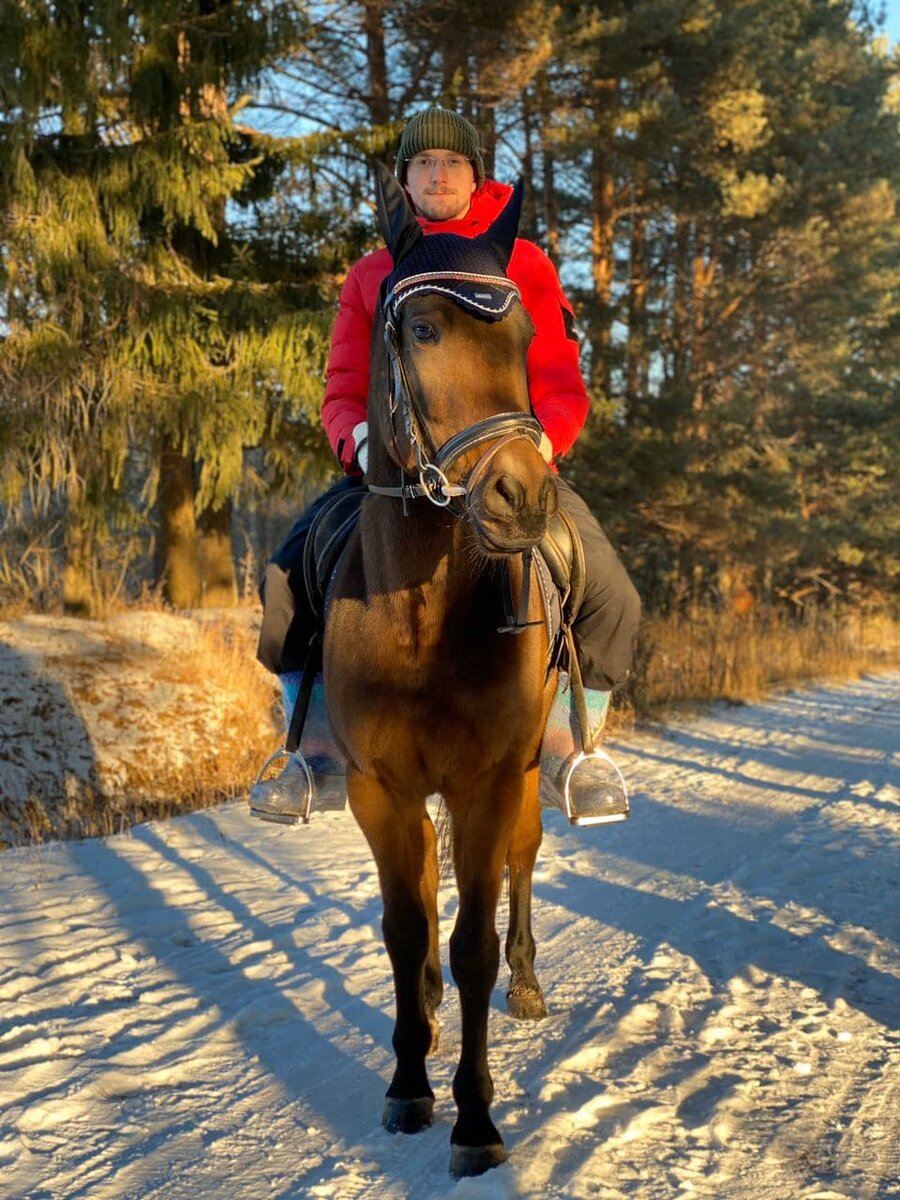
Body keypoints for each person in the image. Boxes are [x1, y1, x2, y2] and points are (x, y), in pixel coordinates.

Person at [252, 106, 641, 824]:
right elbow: (342, 388)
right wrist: (363, 445)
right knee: (283, 585)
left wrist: (544, 447)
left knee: (613, 597)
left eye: (452, 163)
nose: (437, 175)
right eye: (422, 164)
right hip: (393, 475)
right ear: (404, 180)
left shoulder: (523, 265)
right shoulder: (373, 274)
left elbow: (558, 378)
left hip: (507, 465)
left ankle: (566, 746)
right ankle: (315, 753)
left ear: (475, 176)